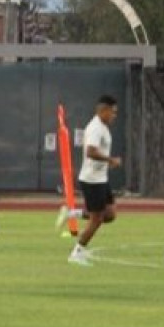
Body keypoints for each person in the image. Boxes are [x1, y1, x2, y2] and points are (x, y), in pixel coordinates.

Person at [56, 95, 122, 266]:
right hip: (93, 180)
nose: (114, 116)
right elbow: (90, 152)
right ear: (103, 110)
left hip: (101, 178)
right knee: (97, 219)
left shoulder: (102, 127)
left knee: (110, 214)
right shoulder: (96, 128)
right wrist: (110, 160)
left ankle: (72, 213)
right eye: (112, 112)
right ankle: (77, 252)